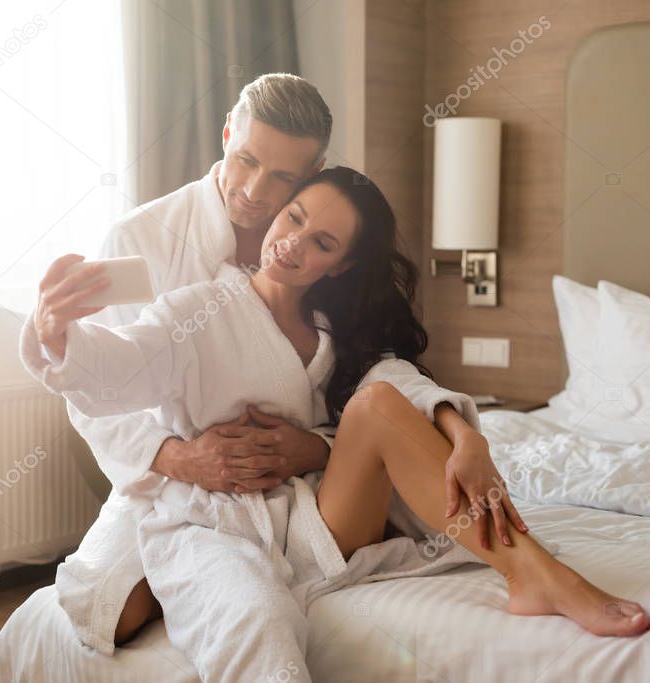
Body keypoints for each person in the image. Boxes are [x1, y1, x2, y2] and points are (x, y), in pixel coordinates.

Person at [22, 167, 650, 681]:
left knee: (379, 403)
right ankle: (540, 576)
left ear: (341, 265)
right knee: (255, 622)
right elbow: (122, 366)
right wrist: (59, 336)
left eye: (322, 242)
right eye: (293, 218)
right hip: (225, 521)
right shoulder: (200, 310)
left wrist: (468, 435)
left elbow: (401, 385)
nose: (294, 242)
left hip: (314, 524)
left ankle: (535, 575)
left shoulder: (338, 333)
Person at [47, 73, 516, 656]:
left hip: (298, 477)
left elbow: (368, 372)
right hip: (169, 480)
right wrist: (184, 459)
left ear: (312, 173)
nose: (253, 190)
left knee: (277, 580)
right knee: (112, 611)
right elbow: (99, 392)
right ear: (226, 135)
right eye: (245, 160)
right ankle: (216, 573)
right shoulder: (141, 237)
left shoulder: (314, 245)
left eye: (283, 179)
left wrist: (319, 447)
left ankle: (248, 578)